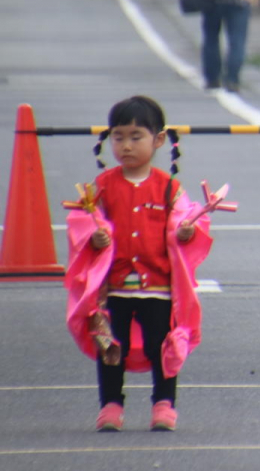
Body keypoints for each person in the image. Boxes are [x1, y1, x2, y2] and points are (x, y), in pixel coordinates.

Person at [64, 96, 213, 432]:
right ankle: (111, 405)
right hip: (113, 287)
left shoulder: (169, 188)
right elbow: (85, 221)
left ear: (158, 140)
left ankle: (164, 403)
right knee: (110, 346)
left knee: (163, 347)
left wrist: (186, 231)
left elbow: (186, 222)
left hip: (158, 286)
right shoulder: (102, 186)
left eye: (136, 137)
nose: (126, 146)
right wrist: (95, 237)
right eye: (118, 137)